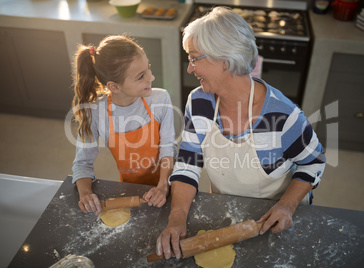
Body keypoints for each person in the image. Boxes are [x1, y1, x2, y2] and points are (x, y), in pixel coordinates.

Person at [156, 7, 326, 259]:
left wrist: (286, 207)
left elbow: (313, 162)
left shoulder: (282, 116)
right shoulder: (199, 101)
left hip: (273, 220)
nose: (190, 69)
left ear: (224, 60)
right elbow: (188, 163)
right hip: (226, 209)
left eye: (194, 58)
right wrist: (177, 217)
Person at [71, 35, 177, 215]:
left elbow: (168, 147)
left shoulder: (160, 99)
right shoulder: (95, 112)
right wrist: (86, 194)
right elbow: (82, 163)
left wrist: (163, 186)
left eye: (148, 68)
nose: (151, 77)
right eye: (141, 76)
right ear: (114, 87)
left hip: (169, 184)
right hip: (130, 189)